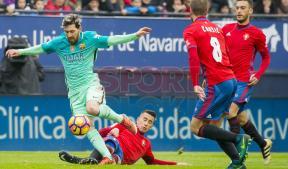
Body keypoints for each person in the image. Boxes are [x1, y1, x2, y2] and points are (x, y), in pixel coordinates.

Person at [6, 13, 152, 165]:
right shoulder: (60, 42)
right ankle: (107, 156)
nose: (69, 35)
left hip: (91, 85)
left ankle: (122, 119)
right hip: (74, 93)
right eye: (67, 32)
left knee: (92, 108)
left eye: (72, 31)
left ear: (79, 28)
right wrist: (21, 52)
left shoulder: (90, 38)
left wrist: (135, 36)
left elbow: (112, 39)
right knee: (87, 128)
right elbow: (41, 48)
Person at [183, 0, 252, 168]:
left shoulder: (191, 30)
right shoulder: (217, 29)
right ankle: (237, 162)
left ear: (190, 10)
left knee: (195, 127)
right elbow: (225, 53)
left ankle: (239, 138)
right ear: (207, 10)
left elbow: (193, 58)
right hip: (230, 80)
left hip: (217, 83)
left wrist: (195, 83)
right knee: (214, 127)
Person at [222, 0, 272, 165]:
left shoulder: (257, 33)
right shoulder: (226, 30)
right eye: (237, 8)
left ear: (250, 10)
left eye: (243, 8)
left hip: (244, 81)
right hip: (228, 80)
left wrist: (258, 74)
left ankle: (237, 158)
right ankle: (263, 143)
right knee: (241, 118)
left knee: (230, 112)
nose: (239, 11)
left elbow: (266, 57)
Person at [59, 110, 185, 165]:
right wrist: (109, 129)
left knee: (112, 153)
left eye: (150, 122)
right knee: (110, 139)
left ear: (152, 126)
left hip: (120, 158)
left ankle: (90, 161)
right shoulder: (126, 125)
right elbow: (101, 133)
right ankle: (93, 160)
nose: (146, 124)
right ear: (138, 119)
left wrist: (176, 163)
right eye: (145, 120)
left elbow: (152, 162)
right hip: (111, 146)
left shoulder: (146, 144)